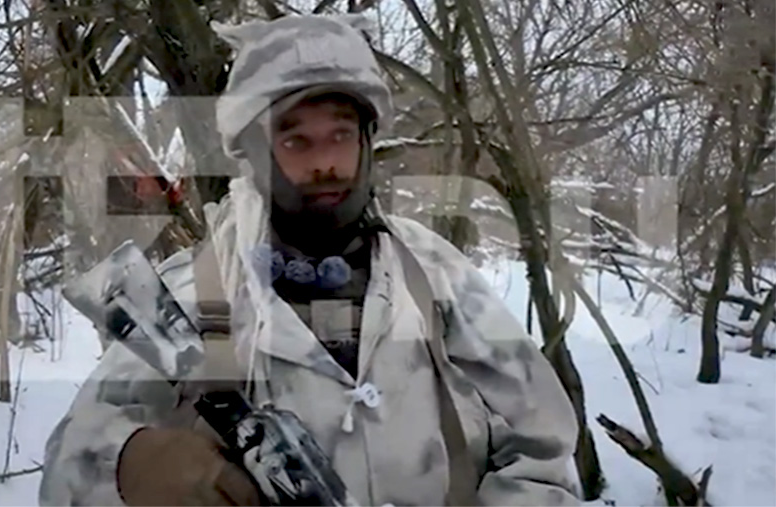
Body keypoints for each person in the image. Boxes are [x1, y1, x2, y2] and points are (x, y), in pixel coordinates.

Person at [38, 13, 582, 507]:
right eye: (295, 142)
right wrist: (134, 465)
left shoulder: (437, 275)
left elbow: (543, 447)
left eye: (340, 135)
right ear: (254, 154)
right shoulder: (194, 290)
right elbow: (67, 465)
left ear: (367, 141)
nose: (325, 162)